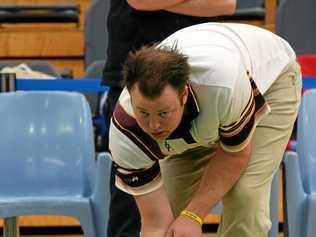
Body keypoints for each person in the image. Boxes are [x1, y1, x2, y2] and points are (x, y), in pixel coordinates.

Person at [108, 22, 302, 237]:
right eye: (143, 112)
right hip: (210, 111)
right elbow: (155, 222)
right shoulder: (126, 131)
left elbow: (235, 153)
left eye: (163, 113)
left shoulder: (223, 86)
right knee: (172, 214)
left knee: (244, 198)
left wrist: (193, 215)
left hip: (271, 80)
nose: (153, 126)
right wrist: (183, 217)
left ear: (183, 96)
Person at [102, 1, 236, 236]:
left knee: (186, 198)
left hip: (195, 76)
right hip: (134, 76)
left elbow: (225, 4)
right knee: (132, 199)